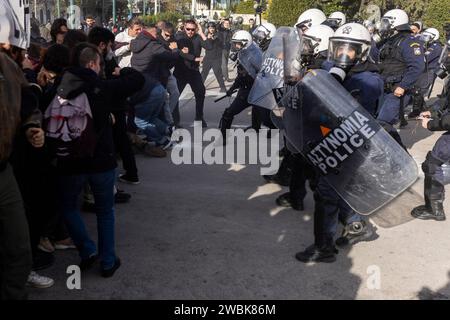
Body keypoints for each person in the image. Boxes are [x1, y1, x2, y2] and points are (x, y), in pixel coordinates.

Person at [51, 44, 144, 277]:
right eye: (100, 63)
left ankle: (87, 250)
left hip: (69, 161)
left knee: (68, 207)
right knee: (105, 211)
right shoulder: (104, 87)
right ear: (92, 64)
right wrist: (120, 71)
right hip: (102, 160)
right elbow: (138, 79)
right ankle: (108, 261)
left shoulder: (57, 87)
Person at [295, 23, 383, 263]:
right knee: (328, 186)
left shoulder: (368, 80)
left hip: (351, 141)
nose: (343, 54)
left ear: (363, 51)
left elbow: (344, 112)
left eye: (350, 49)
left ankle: (324, 247)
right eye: (339, 47)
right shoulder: (330, 67)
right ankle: (355, 224)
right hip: (330, 138)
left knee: (326, 191)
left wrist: (329, 92)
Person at [131, 22, 179, 149]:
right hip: (152, 87)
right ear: (151, 32)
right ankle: (164, 138)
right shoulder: (153, 46)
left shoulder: (135, 43)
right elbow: (170, 57)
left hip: (144, 85)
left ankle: (166, 133)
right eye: (156, 33)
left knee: (149, 117)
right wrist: (175, 50)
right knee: (142, 120)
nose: (158, 36)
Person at [376, 9, 425, 134]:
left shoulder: (410, 42)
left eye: (386, 22)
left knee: (384, 124)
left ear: (395, 23)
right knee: (377, 123)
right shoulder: (389, 40)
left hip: (397, 90)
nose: (384, 25)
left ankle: (398, 152)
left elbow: (417, 67)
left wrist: (403, 86)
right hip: (384, 87)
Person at [218, 30, 262, 142]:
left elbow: (263, 73)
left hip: (254, 91)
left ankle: (256, 130)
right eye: (235, 43)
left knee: (263, 116)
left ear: (246, 42)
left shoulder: (255, 56)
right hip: (246, 90)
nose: (236, 45)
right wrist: (232, 89)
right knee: (229, 113)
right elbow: (241, 76)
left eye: (238, 43)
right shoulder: (243, 52)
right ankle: (223, 138)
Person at [174, 19, 212, 127]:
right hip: (180, 71)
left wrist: (201, 33)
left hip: (194, 72)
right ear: (184, 27)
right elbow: (179, 53)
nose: (190, 31)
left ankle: (199, 118)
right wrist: (194, 58)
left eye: (192, 29)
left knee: (200, 92)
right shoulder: (179, 37)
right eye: (188, 29)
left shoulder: (197, 37)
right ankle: (175, 121)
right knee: (175, 96)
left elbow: (209, 47)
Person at [408, 28, 443, 118]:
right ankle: (423, 109)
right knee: (417, 89)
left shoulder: (435, 47)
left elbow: (424, 58)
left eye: (427, 36)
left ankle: (416, 111)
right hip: (425, 70)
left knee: (419, 90)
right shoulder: (429, 45)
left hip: (429, 71)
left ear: (434, 37)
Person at [201, 22, 227, 93]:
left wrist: (213, 38)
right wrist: (208, 39)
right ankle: (199, 87)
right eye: (210, 28)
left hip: (216, 58)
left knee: (218, 73)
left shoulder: (219, 34)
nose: (212, 29)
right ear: (208, 29)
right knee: (204, 73)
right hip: (208, 58)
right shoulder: (206, 36)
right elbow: (205, 45)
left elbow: (220, 43)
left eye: (213, 28)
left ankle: (223, 87)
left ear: (215, 28)